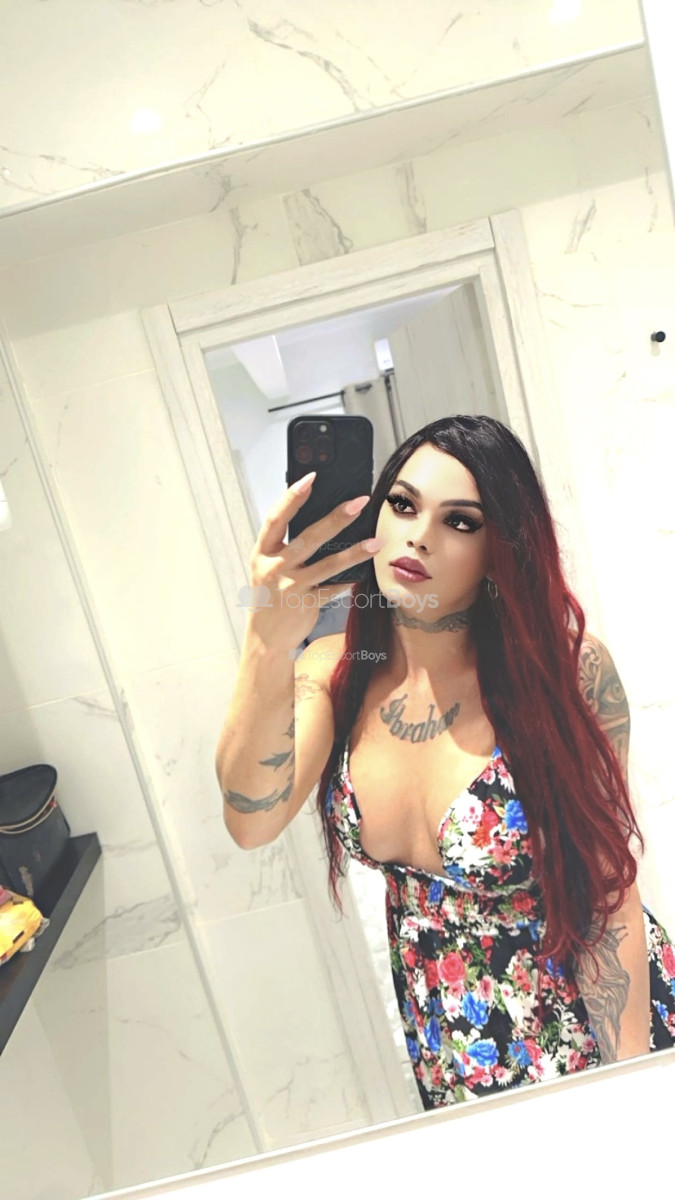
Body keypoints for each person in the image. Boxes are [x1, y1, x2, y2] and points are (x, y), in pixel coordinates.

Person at [216, 414, 675, 1110]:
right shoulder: (337, 672)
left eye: (459, 521)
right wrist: (265, 640)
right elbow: (250, 821)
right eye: (402, 505)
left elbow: (606, 897)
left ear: (500, 548)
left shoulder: (563, 672)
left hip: (593, 1041)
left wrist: (626, 1090)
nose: (419, 535)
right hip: (454, 1053)